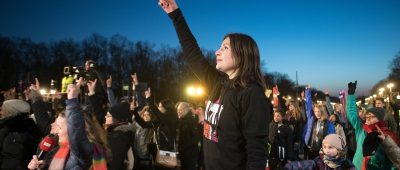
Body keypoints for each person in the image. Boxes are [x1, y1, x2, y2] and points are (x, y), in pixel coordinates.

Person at [158, 0, 272, 169]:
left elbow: (256, 151)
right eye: (220, 47)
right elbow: (193, 54)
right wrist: (175, 15)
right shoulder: (218, 82)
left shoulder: (251, 94)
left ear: (242, 54)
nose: (217, 51)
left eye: (225, 47)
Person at [27, 78, 110, 169]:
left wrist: (72, 100)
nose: (55, 131)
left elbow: (76, 131)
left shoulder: (82, 151)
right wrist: (42, 167)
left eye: (60, 127)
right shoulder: (60, 149)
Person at [346, 81, 400, 170]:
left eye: (371, 116)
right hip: (357, 166)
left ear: (380, 119)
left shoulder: (388, 135)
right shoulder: (362, 129)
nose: (368, 118)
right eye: (367, 116)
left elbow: (395, 160)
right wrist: (351, 95)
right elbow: (351, 114)